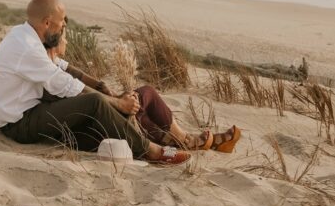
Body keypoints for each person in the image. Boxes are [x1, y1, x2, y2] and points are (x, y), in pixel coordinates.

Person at [0, 0, 240, 165]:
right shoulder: (25, 46)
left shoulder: (29, 38)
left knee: (134, 95)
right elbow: (63, 83)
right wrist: (115, 102)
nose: (65, 26)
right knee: (96, 104)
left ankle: (179, 139)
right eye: (62, 23)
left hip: (39, 110)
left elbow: (64, 67)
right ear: (47, 23)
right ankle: (153, 151)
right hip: (19, 122)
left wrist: (101, 86)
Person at [46, 29, 239, 152]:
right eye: (65, 37)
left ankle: (179, 138)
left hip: (89, 114)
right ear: (54, 41)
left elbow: (77, 74)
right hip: (84, 125)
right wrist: (117, 101)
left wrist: (106, 89)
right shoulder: (47, 69)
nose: (68, 42)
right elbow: (79, 91)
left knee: (141, 97)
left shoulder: (53, 62)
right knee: (143, 98)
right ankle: (183, 139)